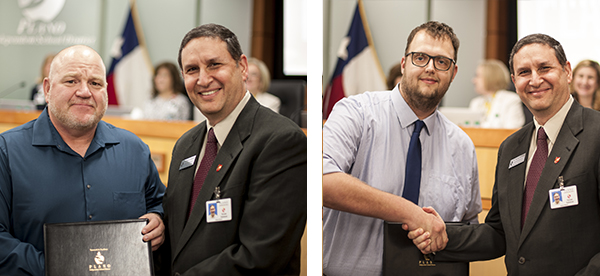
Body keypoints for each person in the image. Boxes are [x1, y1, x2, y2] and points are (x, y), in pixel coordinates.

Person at [408, 33, 600, 275]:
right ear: (513, 81)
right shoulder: (511, 148)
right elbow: (498, 233)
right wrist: (440, 233)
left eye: (544, 68)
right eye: (524, 72)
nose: (535, 79)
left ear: (567, 71)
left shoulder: (596, 135)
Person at [322, 21, 481, 276]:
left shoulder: (462, 146)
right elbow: (320, 180)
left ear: (453, 72)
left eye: (442, 62)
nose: (430, 67)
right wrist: (410, 212)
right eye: (420, 57)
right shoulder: (356, 113)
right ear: (405, 63)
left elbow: (466, 228)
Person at [0, 45, 166, 275]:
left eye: (95, 83)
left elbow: (161, 203)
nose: (85, 92)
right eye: (71, 81)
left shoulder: (134, 150)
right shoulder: (7, 151)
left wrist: (159, 219)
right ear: (47, 89)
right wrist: (59, 269)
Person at [158, 23, 307, 275]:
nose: (203, 79)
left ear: (243, 67)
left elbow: (259, 257)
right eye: (192, 70)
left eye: (214, 64)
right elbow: (182, 232)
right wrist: (157, 226)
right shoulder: (185, 145)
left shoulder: (280, 141)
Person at [469, 59, 525, 128]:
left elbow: (513, 132)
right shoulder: (475, 103)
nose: (473, 80)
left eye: (477, 76)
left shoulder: (511, 100)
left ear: (490, 77)